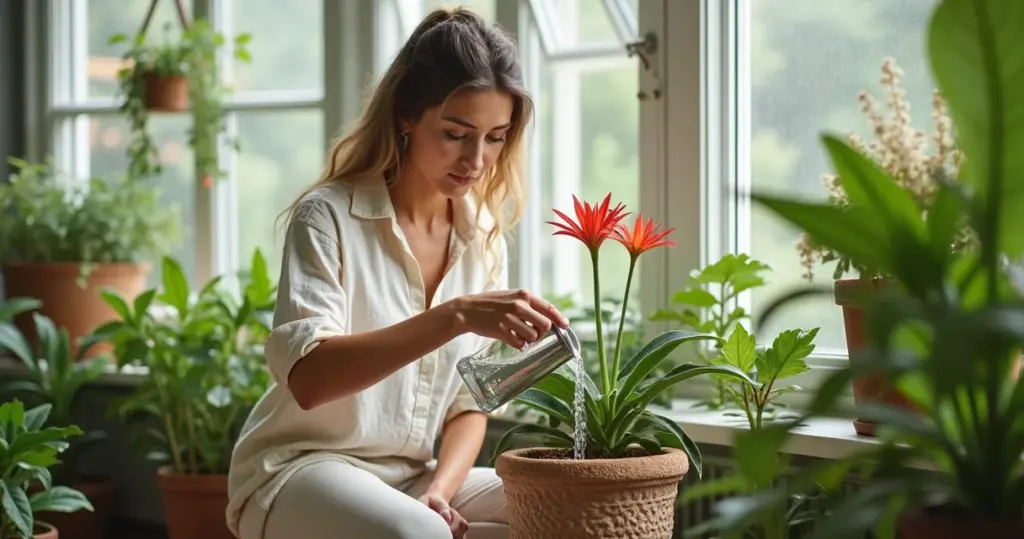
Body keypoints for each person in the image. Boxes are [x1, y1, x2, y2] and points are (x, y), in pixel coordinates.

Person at [225, 6, 569, 539]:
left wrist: (440, 491)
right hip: (300, 470)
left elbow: (469, 405)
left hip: (411, 478)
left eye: (496, 137)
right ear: (407, 115)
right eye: (456, 133)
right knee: (420, 535)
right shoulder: (328, 216)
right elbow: (311, 380)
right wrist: (454, 317)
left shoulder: (478, 235)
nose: (477, 159)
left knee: (569, 509)